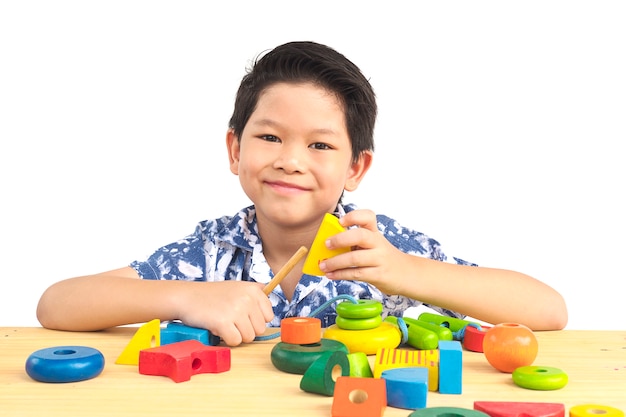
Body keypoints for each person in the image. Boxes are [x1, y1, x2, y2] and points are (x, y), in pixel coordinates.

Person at [36, 41, 568, 346]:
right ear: (234, 150)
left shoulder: (376, 247)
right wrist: (186, 297)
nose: (289, 159)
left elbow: (548, 309)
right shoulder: (209, 253)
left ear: (356, 167)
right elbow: (57, 304)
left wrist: (407, 271)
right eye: (269, 137)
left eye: (319, 144)